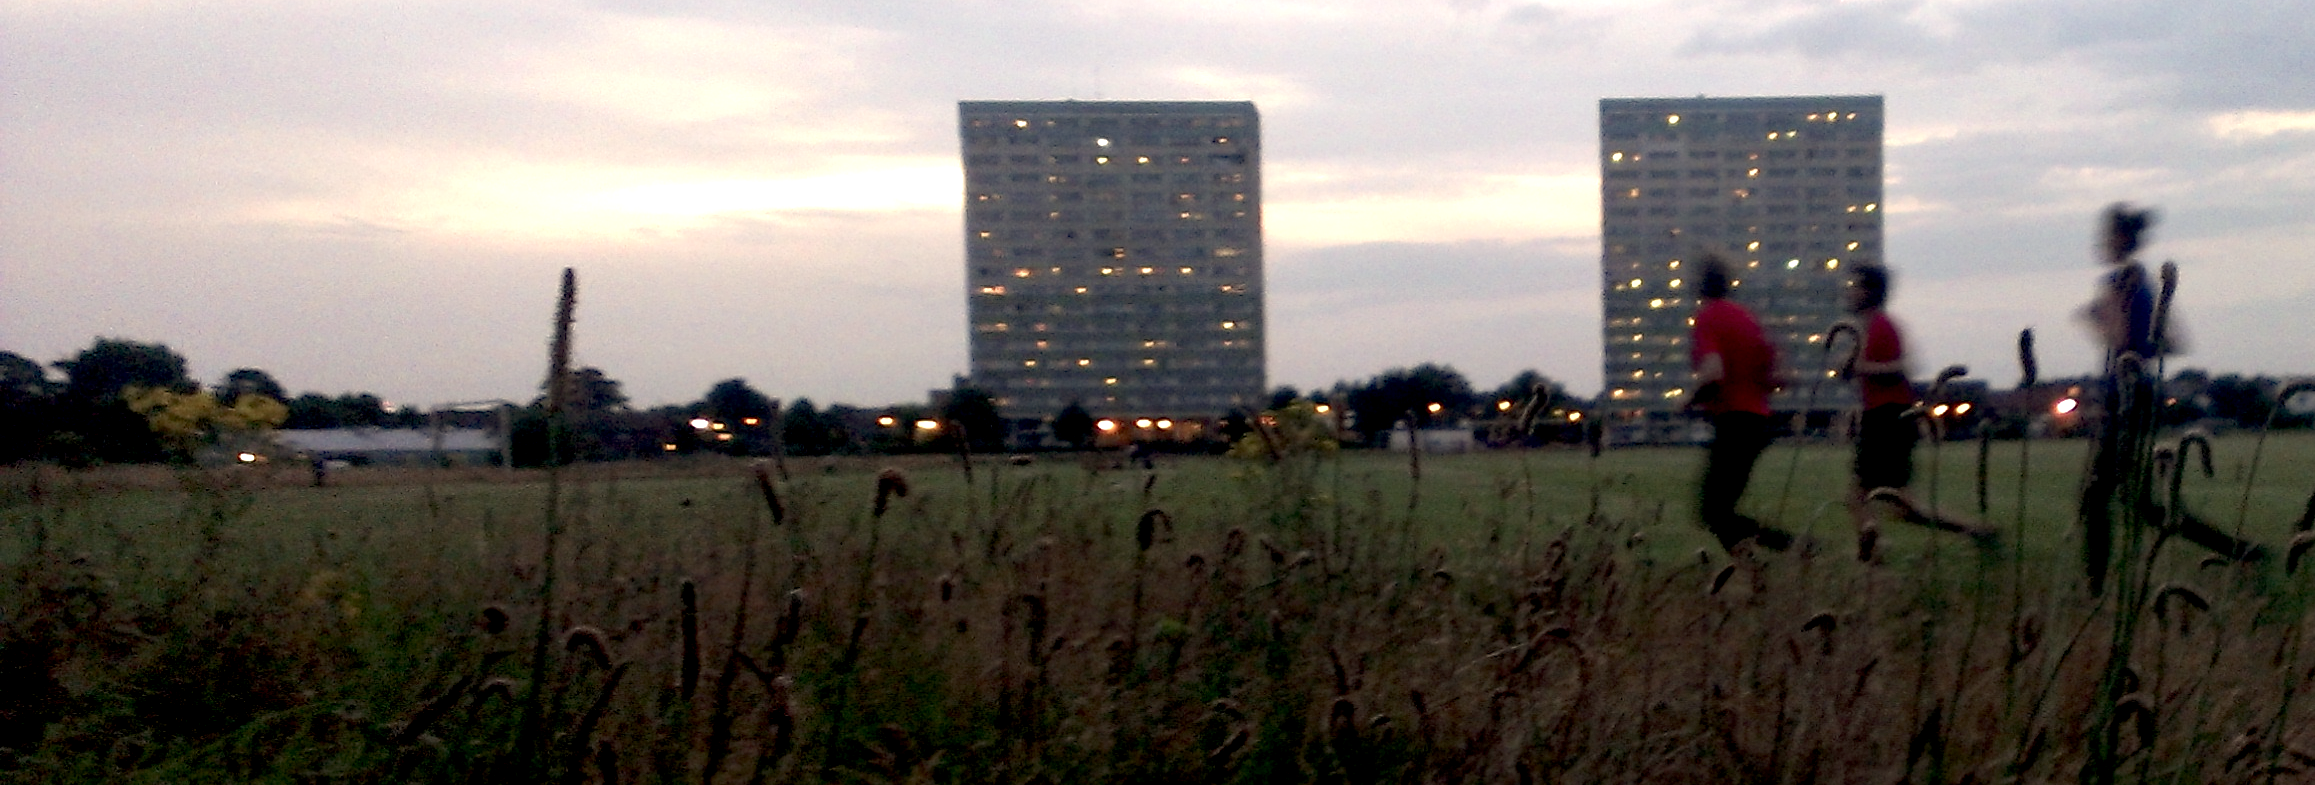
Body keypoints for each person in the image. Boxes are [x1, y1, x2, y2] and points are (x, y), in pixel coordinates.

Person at [2075, 203, 2261, 594]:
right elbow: (2171, 341)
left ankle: (2094, 587)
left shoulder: (2121, 281)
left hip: (2126, 394)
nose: (2100, 242)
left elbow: (2123, 338)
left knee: (2097, 495)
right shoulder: (2141, 281)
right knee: (2135, 502)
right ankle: (2240, 551)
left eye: (2105, 235)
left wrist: (2096, 320)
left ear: (2121, 239)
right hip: (2139, 391)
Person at [1839, 264, 1996, 562]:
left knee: (1863, 498)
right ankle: (1975, 531)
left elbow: (1899, 368)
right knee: (1900, 507)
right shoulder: (1869, 328)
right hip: (1882, 417)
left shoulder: (1883, 325)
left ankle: (1872, 555)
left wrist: (1858, 367)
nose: (1849, 291)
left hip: (1889, 419)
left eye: (1855, 285)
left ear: (1870, 292)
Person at [1688, 254, 1795, 554]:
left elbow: (1712, 374)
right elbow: (1779, 377)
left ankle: (1796, 547)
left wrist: (1690, 398)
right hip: (1758, 422)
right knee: (1719, 510)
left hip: (1734, 422)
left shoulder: (1708, 317)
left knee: (1714, 511)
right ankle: (1757, 573)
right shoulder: (1747, 317)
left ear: (1700, 285)